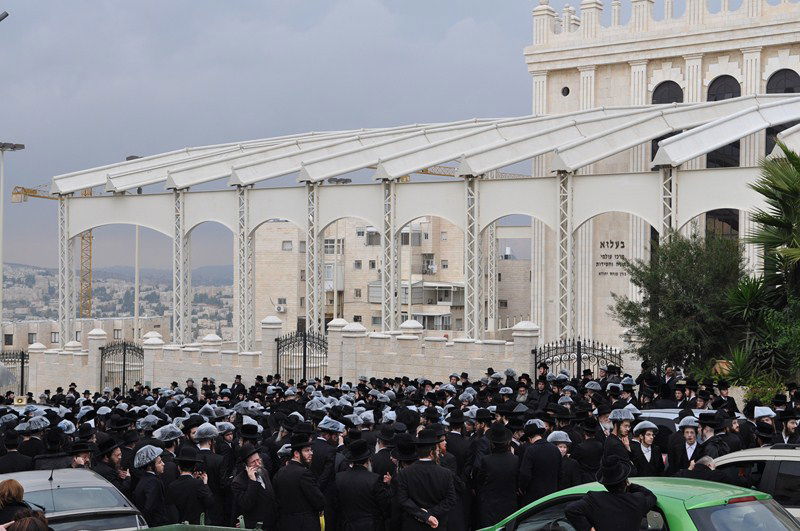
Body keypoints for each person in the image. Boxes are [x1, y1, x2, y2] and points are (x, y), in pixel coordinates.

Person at [565, 455, 657, 531]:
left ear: (605, 484)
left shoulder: (594, 499)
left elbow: (570, 510)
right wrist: (631, 486)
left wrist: (589, 528)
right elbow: (651, 496)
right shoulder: (637, 500)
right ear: (625, 481)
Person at [395, 428, 457, 530]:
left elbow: (403, 500)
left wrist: (424, 515)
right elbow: (450, 500)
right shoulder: (446, 473)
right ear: (432, 452)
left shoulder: (404, 473)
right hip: (437, 524)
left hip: (413, 525)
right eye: (437, 449)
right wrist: (429, 514)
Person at [326, 439, 391, 530]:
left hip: (347, 526)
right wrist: (387, 486)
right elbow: (385, 507)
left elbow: (333, 507)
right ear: (368, 460)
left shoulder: (339, 478)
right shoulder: (374, 479)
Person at [273, 433, 325, 530]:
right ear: (296, 453)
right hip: (304, 524)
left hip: (285, 524)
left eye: (311, 450)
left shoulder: (280, 472)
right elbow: (318, 500)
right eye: (307, 450)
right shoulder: (304, 473)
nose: (311, 453)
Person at [474, 423, 519, 528]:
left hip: (490, 505)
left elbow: (479, 481)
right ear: (507, 442)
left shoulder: (486, 460)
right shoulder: (515, 459)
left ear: (492, 443)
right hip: (509, 504)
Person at [230, 443, 277, 529]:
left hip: (270, 523)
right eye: (253, 462)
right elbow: (246, 504)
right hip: (255, 526)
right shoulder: (238, 482)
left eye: (258, 460)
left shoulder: (264, 472)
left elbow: (270, 497)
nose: (258, 464)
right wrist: (252, 481)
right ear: (246, 465)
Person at [166, 446, 215, 525]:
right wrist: (205, 484)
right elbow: (210, 502)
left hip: (181, 526)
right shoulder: (198, 484)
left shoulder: (172, 486)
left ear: (179, 467)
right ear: (194, 467)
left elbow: (170, 509)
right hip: (197, 526)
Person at [518, 419, 561, 506]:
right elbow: (560, 472)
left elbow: (525, 474)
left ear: (529, 438)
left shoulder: (530, 450)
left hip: (534, 496)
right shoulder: (554, 449)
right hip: (552, 495)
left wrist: (521, 488)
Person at [132, 444, 175, 527]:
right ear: (150, 467)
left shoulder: (144, 479)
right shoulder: (153, 482)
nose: (163, 464)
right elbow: (150, 507)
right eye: (159, 462)